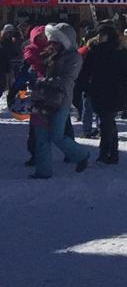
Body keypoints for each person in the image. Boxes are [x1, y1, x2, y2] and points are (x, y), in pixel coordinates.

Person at [29, 24, 93, 178]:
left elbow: (66, 81)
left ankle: (81, 154)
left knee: (57, 136)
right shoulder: (48, 54)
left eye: (55, 41)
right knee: (41, 136)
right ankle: (43, 171)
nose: (51, 44)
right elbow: (33, 68)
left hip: (60, 101)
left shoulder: (73, 57)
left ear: (65, 41)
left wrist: (41, 81)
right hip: (41, 99)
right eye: (51, 40)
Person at [80, 24, 127, 165]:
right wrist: (82, 88)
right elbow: (85, 72)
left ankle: (105, 152)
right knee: (108, 121)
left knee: (106, 121)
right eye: (99, 34)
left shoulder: (118, 52)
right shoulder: (95, 51)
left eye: (102, 34)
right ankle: (113, 152)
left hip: (112, 91)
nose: (99, 37)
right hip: (102, 90)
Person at [0, 24, 19, 111]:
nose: (10, 34)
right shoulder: (1, 42)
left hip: (7, 67)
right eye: (8, 32)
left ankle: (10, 104)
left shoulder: (12, 42)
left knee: (5, 87)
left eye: (11, 33)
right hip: (2, 66)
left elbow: (15, 53)